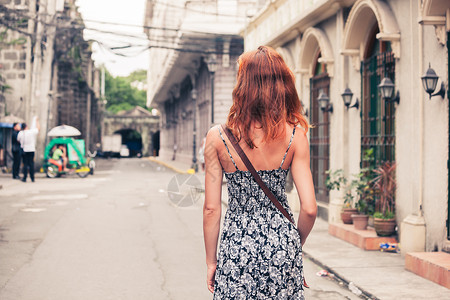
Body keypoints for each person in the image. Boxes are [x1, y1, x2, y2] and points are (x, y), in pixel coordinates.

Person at [203, 46, 317, 299]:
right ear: (282, 83)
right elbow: (309, 209)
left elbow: (211, 209)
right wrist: (292, 248)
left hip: (237, 246)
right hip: (282, 245)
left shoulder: (217, 137)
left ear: (242, 85)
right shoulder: (296, 135)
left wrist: (212, 262)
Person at [17, 118, 40, 182]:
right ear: (26, 126)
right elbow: (38, 129)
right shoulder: (31, 132)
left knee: (25, 164)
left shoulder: (20, 133)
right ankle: (32, 178)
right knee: (31, 164)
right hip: (31, 150)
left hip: (24, 150)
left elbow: (18, 140)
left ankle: (25, 177)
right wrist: (37, 121)